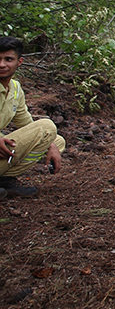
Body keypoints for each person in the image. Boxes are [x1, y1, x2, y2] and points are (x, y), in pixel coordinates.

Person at [0, 36, 65, 199]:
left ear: (19, 62)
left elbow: (26, 124)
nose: (1, 65)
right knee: (47, 127)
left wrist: (50, 145)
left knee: (56, 141)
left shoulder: (14, 88)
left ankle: (3, 180)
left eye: (8, 59)